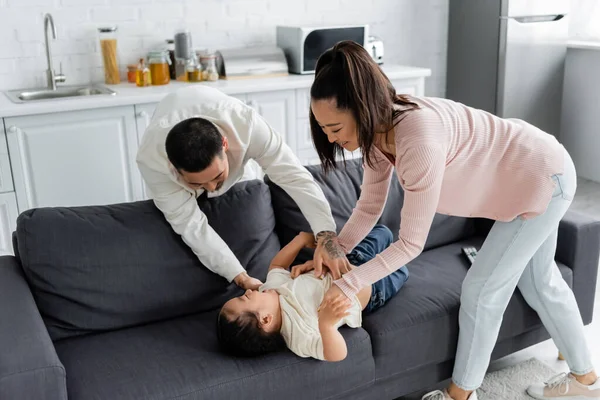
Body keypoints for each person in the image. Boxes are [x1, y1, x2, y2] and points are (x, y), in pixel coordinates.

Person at [308, 41, 599, 400]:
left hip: (543, 178)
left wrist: (349, 283)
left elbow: (411, 243)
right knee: (541, 282)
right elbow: (369, 208)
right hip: (533, 172)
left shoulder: (417, 138)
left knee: (482, 290)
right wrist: (335, 248)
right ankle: (584, 379)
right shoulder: (377, 137)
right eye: (323, 130)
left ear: (361, 107)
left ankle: (461, 395)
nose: (331, 138)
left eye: (334, 127)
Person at [136, 86, 347, 291]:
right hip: (168, 120)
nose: (211, 187)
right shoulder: (152, 162)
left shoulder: (247, 125)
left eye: (217, 176)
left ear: (225, 145)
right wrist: (239, 275)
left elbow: (295, 177)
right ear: (174, 169)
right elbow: (190, 226)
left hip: (223, 121)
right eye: (197, 183)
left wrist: (327, 236)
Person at [216, 224, 409, 361]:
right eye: (244, 298)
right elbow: (336, 354)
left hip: (347, 260)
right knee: (403, 268)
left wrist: (300, 240)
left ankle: (385, 244)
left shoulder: (269, 290)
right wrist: (327, 326)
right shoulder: (297, 335)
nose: (248, 291)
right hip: (371, 288)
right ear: (265, 320)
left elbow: (277, 265)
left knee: (382, 232)